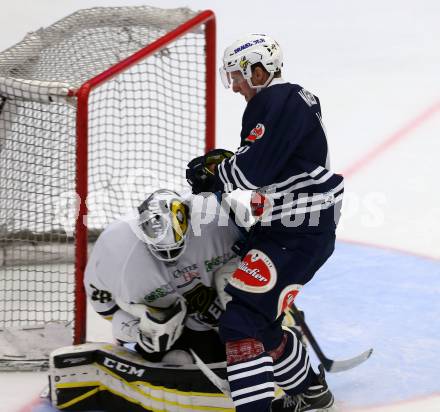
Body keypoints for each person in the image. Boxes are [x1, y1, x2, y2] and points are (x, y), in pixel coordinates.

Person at [186, 34, 344, 411]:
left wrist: (217, 174)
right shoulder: (290, 100)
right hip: (289, 229)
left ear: (259, 69)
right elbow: (268, 165)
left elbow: (253, 169)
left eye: (239, 76)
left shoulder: (277, 99)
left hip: (297, 232)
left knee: (240, 323)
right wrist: (229, 168)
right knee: (262, 322)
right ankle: (312, 392)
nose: (236, 86)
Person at [84, 188, 242, 365]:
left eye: (175, 248)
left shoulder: (218, 220)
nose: (170, 258)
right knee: (173, 357)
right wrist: (136, 330)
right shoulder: (115, 248)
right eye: (161, 250)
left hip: (208, 318)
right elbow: (100, 299)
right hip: (167, 320)